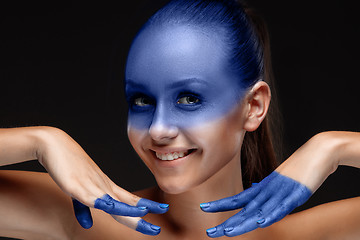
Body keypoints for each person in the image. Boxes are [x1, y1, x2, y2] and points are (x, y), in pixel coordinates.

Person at [0, 0, 359, 239]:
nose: (158, 129)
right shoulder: (92, 222)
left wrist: (334, 148)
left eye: (189, 99)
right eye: (141, 101)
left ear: (253, 107)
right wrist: (43, 142)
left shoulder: (319, 233)